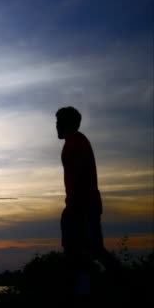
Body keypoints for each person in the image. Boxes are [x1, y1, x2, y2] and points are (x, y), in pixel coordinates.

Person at [55, 106, 120, 295]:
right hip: (83, 205)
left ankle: (90, 291)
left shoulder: (75, 142)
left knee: (83, 251)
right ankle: (86, 291)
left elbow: (80, 176)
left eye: (58, 122)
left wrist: (76, 210)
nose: (56, 126)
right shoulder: (75, 141)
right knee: (86, 251)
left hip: (81, 206)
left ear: (66, 123)